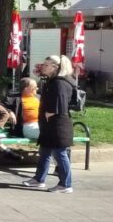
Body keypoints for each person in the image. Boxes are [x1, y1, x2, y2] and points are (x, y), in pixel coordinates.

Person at [21, 55, 76, 193]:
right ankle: (39, 179)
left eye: (46, 65)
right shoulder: (53, 81)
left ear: (55, 67)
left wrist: (49, 113)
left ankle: (66, 184)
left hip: (57, 125)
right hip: (49, 125)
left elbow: (60, 103)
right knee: (45, 152)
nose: (43, 67)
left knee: (60, 154)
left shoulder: (59, 83)